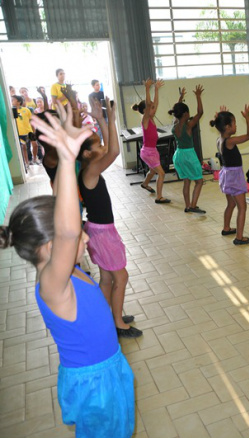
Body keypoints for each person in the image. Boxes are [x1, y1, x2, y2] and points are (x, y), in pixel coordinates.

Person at [1, 110, 135, 438]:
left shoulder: (71, 273)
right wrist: (64, 158)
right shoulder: (52, 284)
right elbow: (66, 231)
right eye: (76, 235)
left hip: (108, 369)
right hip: (94, 383)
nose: (84, 236)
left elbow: (66, 219)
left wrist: (67, 157)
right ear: (50, 247)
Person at [72, 94, 142, 339]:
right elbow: (113, 151)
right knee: (121, 276)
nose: (101, 145)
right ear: (89, 154)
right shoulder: (91, 169)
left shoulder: (87, 167)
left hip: (97, 230)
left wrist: (101, 119)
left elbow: (106, 148)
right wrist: (110, 118)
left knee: (106, 278)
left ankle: (108, 314)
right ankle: (118, 323)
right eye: (96, 144)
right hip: (101, 232)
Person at [212, 103, 249, 245]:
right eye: (234, 123)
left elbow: (221, 126)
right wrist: (248, 117)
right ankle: (239, 237)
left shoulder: (220, 139)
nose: (236, 126)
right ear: (228, 127)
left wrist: (221, 116)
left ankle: (226, 228)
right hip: (234, 176)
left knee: (231, 204)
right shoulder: (230, 141)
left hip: (226, 174)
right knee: (242, 207)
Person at [132, 78, 170, 204]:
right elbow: (149, 104)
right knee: (161, 173)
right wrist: (147, 88)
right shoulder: (146, 120)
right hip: (148, 152)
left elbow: (155, 103)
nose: (154, 109)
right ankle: (159, 197)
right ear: (145, 111)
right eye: (151, 108)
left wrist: (157, 90)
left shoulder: (152, 119)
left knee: (152, 170)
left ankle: (145, 183)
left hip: (151, 151)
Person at [170, 85, 205, 213]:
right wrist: (198, 96)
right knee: (199, 181)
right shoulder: (189, 125)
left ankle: (187, 205)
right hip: (189, 154)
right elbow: (200, 113)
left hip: (178, 155)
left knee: (186, 181)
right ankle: (193, 206)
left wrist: (181, 97)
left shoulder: (175, 125)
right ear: (185, 114)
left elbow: (176, 111)